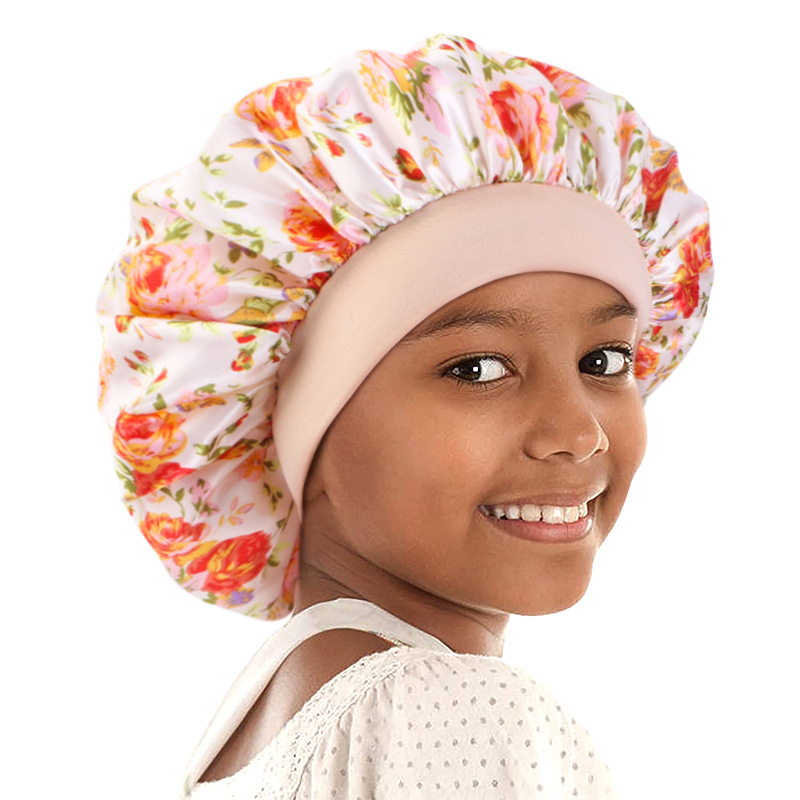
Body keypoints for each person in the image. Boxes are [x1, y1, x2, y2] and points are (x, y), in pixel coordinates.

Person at [97, 34, 713, 798]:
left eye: (606, 361)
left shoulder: (258, 720)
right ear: (302, 426)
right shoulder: (461, 711)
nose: (577, 432)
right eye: (478, 369)